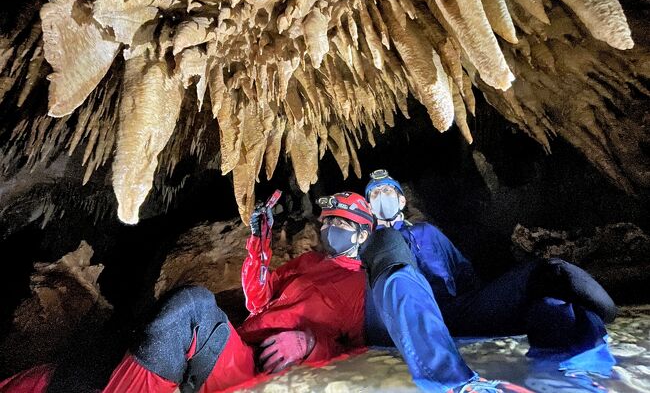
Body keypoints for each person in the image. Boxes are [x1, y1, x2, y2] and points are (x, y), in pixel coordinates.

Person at [0, 191, 374, 393]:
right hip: (241, 349)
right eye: (329, 223)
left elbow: (361, 351)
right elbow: (258, 297)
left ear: (362, 235)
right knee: (122, 343)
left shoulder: (360, 286)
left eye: (342, 225)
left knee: (190, 306)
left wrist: (309, 343)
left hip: (267, 370)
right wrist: (259, 242)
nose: (331, 231)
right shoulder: (310, 262)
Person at [362, 168, 618, 390]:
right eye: (374, 194)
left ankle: (575, 367)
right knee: (388, 244)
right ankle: (450, 381)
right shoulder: (370, 244)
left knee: (547, 285)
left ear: (401, 199)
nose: (381, 197)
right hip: (408, 320)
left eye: (387, 191)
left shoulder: (427, 232)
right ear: (369, 207)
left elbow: (462, 270)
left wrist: (488, 307)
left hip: (457, 310)